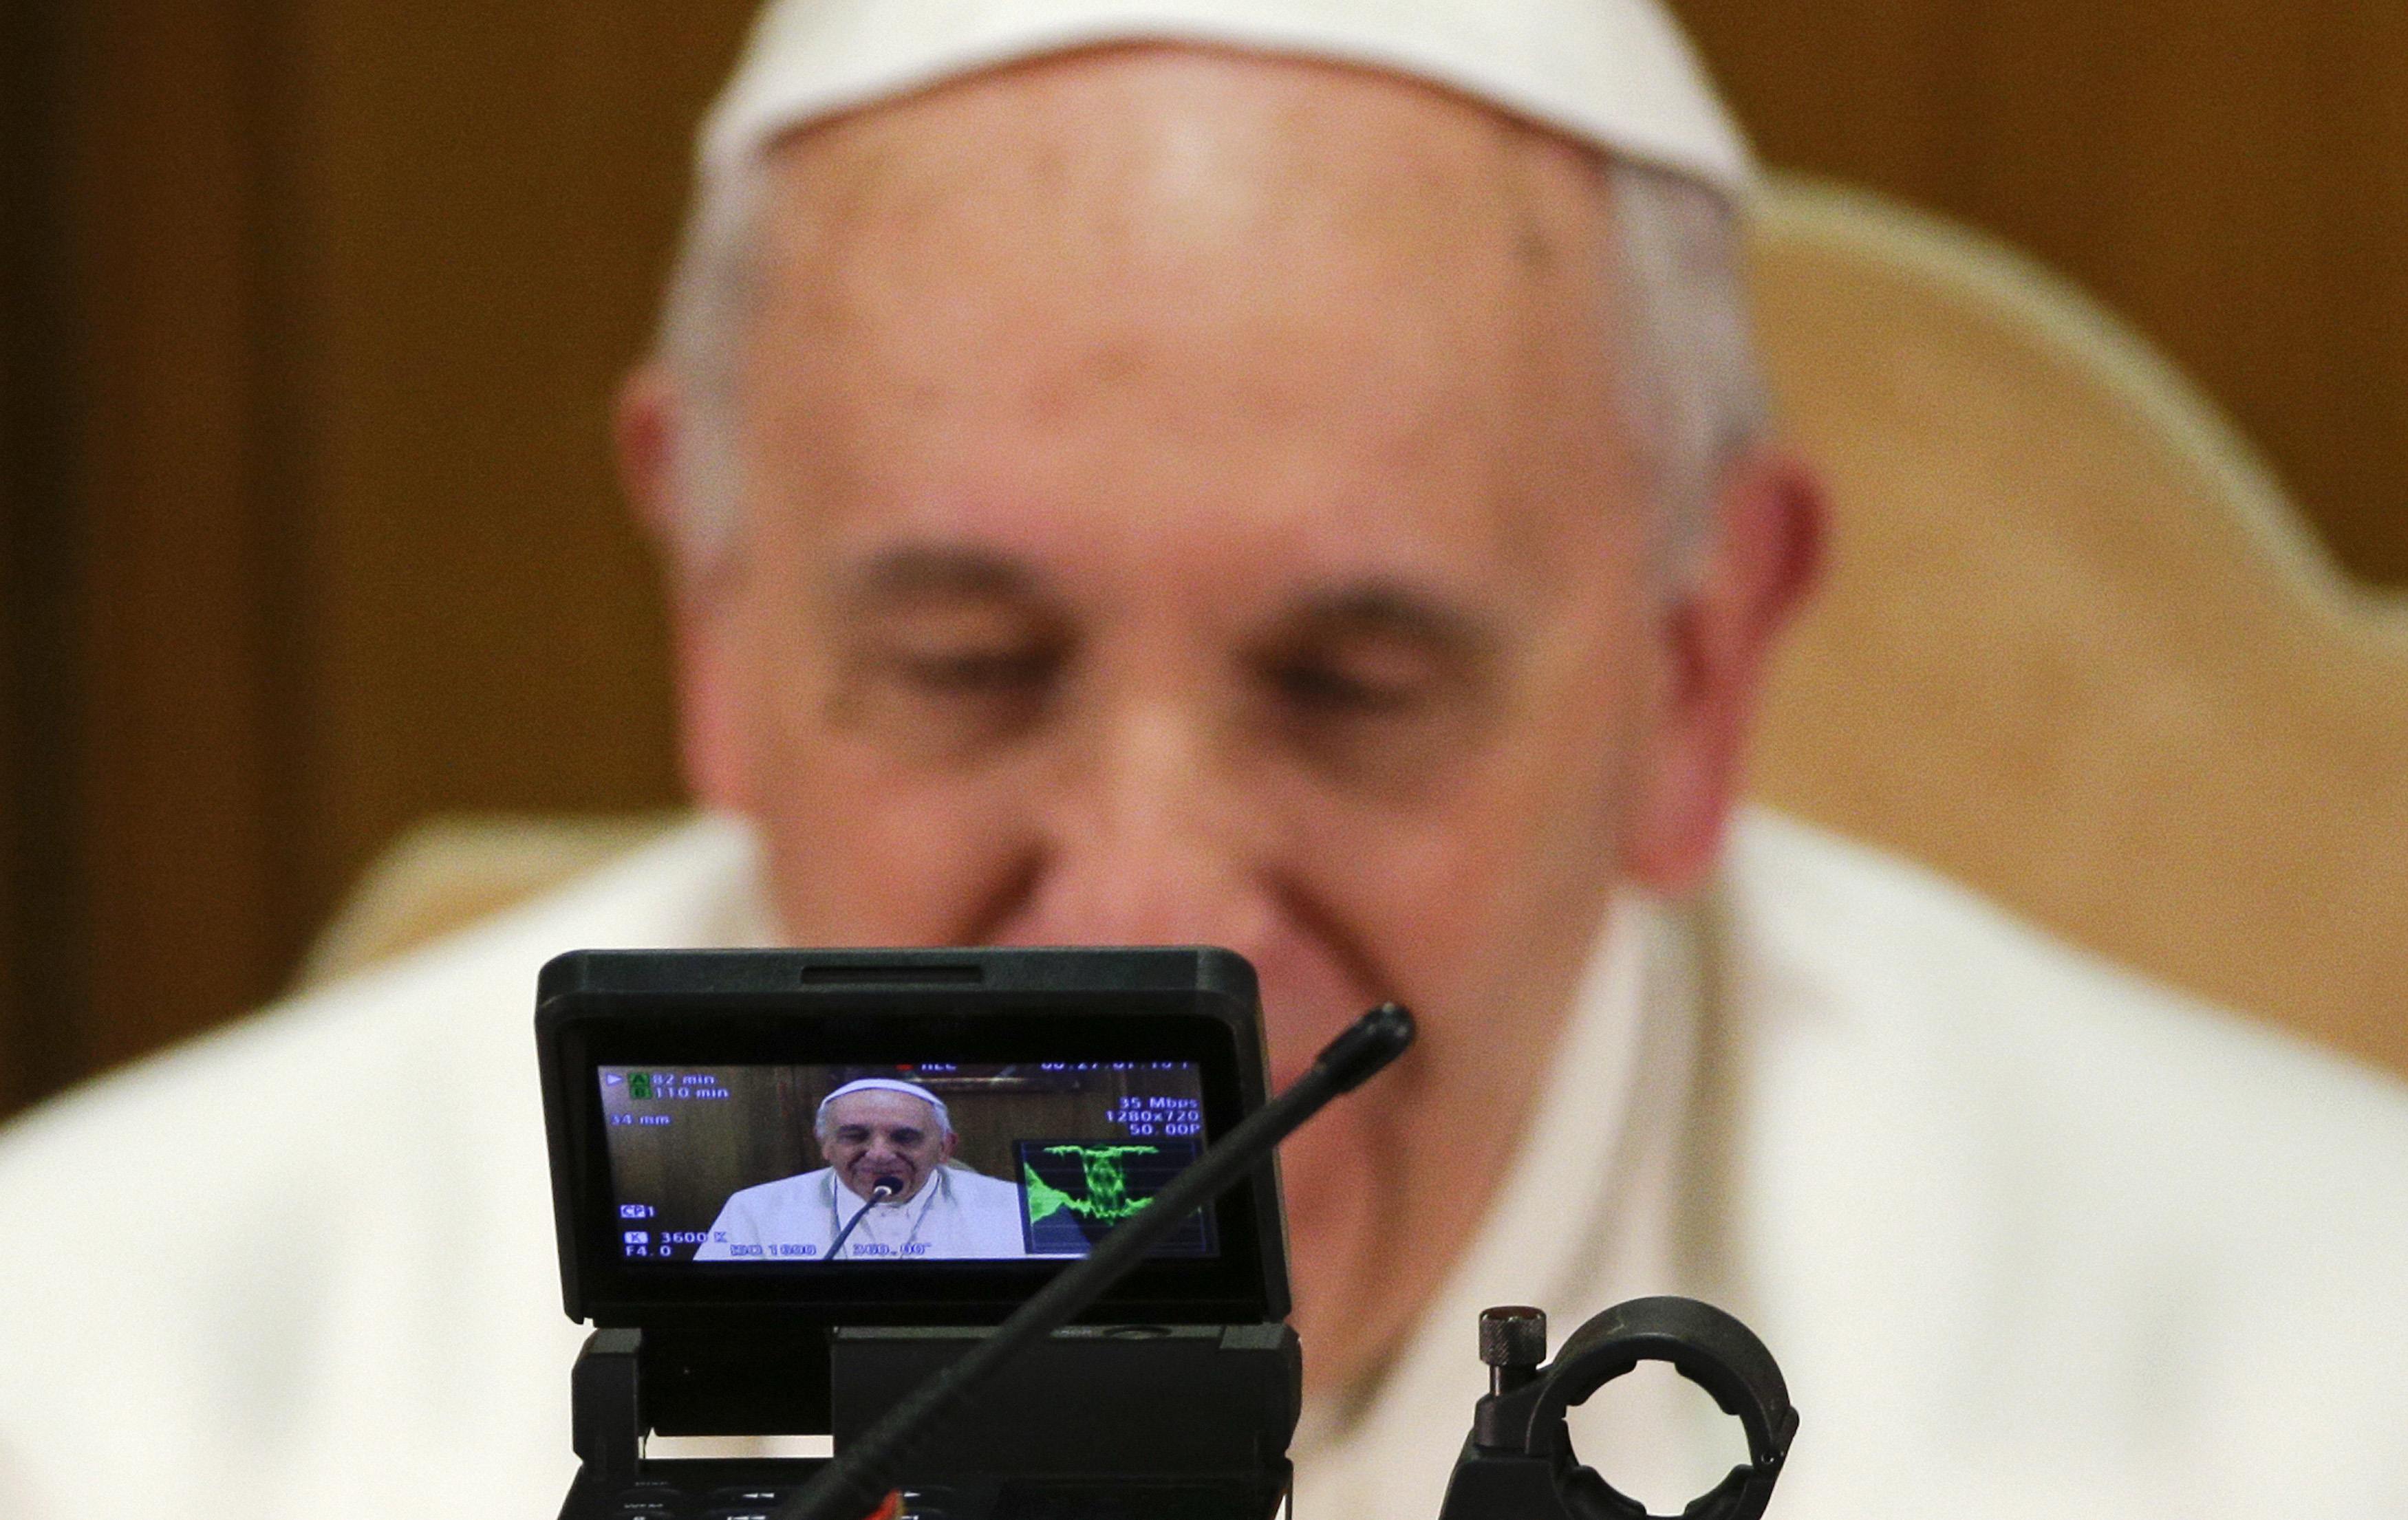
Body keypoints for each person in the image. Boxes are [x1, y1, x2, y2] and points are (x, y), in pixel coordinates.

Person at [1, 2, 2405, 1517]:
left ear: (1698, 667)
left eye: (1356, 689)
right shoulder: (93, 1384)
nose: (1148, 905)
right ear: (718, 619)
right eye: (963, 663)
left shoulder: (2332, 1379)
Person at [691, 1078, 1029, 1261]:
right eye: (855, 1136)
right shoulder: (753, 1210)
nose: (879, 1155)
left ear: (945, 1148)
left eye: (904, 1137)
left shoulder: (1022, 1208)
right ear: (825, 1144)